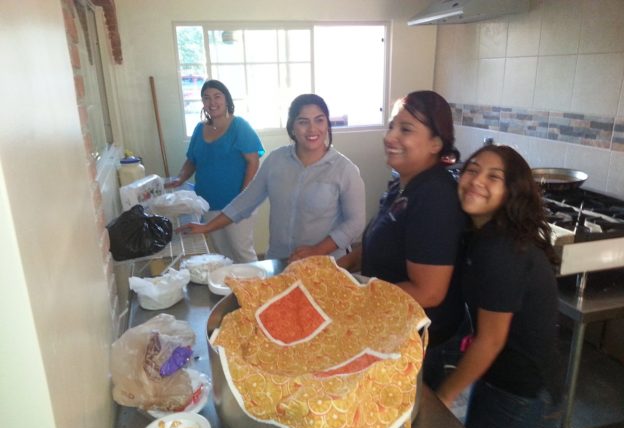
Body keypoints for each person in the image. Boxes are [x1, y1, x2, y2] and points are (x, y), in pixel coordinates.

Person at [431, 145, 563, 428]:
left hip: (525, 397)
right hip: (500, 383)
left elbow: (490, 340)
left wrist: (444, 395)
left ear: (511, 192)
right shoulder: (482, 235)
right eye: (472, 170)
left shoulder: (501, 251)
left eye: (494, 177)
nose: (477, 181)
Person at [338, 90, 467, 387]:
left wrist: (356, 302)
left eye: (406, 129)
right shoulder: (403, 185)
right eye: (391, 126)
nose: (390, 137)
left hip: (419, 344)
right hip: (391, 327)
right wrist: (334, 269)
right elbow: (382, 242)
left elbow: (429, 292)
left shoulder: (434, 198)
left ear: (436, 143)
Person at [178, 94, 366, 262]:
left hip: (326, 264)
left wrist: (317, 250)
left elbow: (355, 223)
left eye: (319, 120)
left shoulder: (344, 170)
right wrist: (207, 227)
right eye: (303, 122)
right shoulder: (277, 160)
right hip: (281, 260)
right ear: (292, 127)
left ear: (327, 125)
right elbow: (246, 200)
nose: (312, 129)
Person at [167, 79, 264, 263]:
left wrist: (244, 197)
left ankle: (256, 281)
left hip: (236, 204)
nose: (212, 102)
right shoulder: (199, 129)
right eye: (206, 98)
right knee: (222, 254)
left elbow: (253, 162)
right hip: (208, 204)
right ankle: (230, 282)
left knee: (242, 252)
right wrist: (180, 178)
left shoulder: (239, 126)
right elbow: (192, 160)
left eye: (217, 96)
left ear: (227, 99)